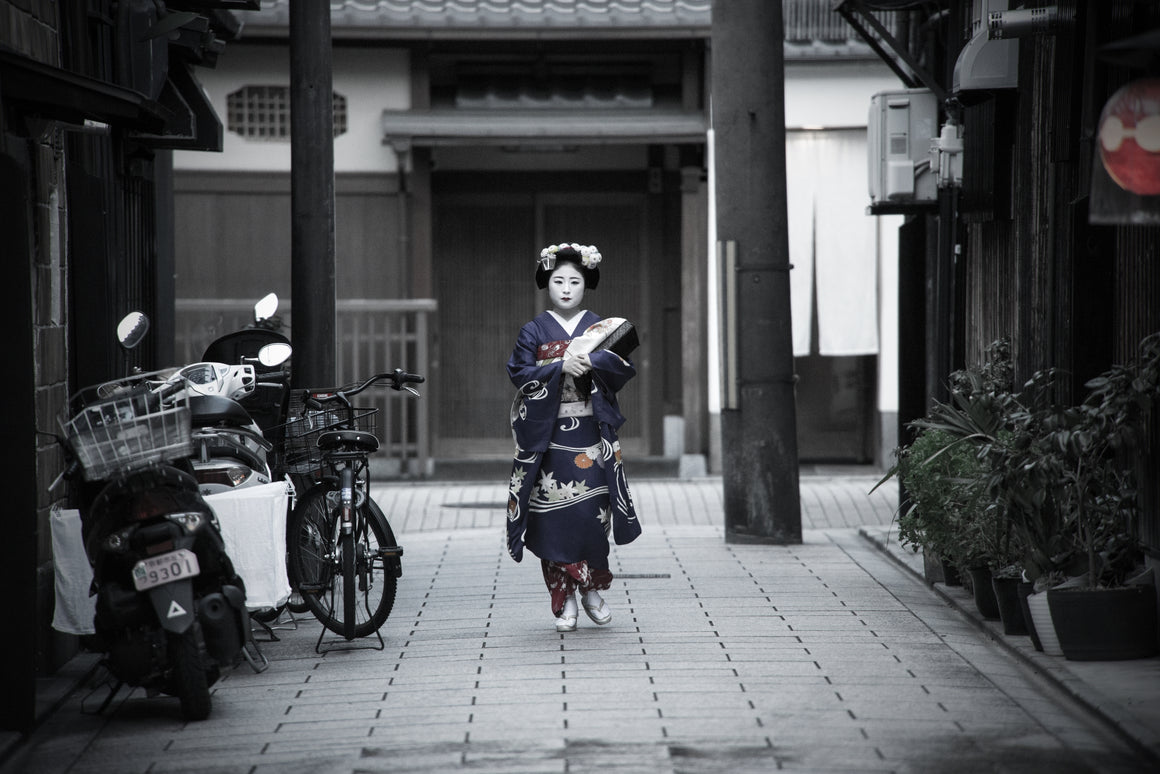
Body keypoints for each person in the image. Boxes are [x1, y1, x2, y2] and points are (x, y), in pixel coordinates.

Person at [505, 242, 641, 632]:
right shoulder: (533, 329)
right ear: (547, 283)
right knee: (551, 520)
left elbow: (621, 367)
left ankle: (592, 590)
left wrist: (594, 361)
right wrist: (560, 365)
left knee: (592, 517)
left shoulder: (599, 325)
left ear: (586, 285)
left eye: (574, 281)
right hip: (548, 439)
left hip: (590, 434)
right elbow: (519, 373)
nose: (566, 288)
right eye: (558, 280)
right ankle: (564, 599)